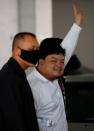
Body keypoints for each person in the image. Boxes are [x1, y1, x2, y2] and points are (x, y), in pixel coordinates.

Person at [27, 1, 83, 131]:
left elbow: (66, 48)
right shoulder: (31, 87)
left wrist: (77, 23)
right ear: (41, 61)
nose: (59, 65)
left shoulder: (53, 71)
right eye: (53, 61)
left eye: (62, 61)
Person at [0, 32, 40, 131]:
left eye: (37, 49)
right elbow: (13, 120)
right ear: (17, 50)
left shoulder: (18, 74)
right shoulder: (9, 77)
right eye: (32, 49)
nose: (36, 53)